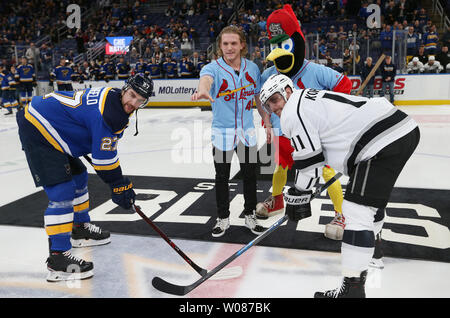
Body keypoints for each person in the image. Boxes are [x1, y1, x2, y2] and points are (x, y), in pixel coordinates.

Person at [260, 74, 420, 298]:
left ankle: (352, 289)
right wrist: (301, 192)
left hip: (381, 140)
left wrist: (299, 194)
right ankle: (374, 249)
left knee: (356, 210)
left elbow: (310, 166)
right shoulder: (305, 100)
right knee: (368, 202)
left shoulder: (292, 111)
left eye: (275, 99)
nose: (274, 107)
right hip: (400, 129)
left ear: (287, 90)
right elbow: (318, 156)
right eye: (268, 104)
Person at [16, 74, 154, 282]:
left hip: (55, 124)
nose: (133, 103)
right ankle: (58, 259)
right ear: (125, 89)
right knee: (61, 191)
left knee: (79, 176)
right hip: (37, 127)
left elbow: (94, 134)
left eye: (140, 100)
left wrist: (117, 182)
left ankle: (79, 229)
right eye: (132, 95)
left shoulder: (112, 96)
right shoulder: (111, 114)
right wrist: (119, 186)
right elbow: (104, 161)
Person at [258, 4, 351, 241]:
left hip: (315, 136)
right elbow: (261, 100)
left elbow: (344, 86)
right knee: (280, 167)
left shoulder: (316, 71)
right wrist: (267, 120)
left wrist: (332, 117)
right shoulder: (269, 74)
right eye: (275, 46)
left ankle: (341, 214)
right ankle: (277, 200)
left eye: (285, 44)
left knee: (327, 171)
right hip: (284, 133)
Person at [191, 25, 271, 237]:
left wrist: (266, 119)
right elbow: (205, 81)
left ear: (242, 45)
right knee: (222, 176)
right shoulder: (212, 68)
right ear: (220, 46)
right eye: (225, 44)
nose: (229, 48)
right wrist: (203, 91)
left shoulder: (252, 68)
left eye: (233, 43)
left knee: (250, 175)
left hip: (246, 131)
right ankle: (223, 217)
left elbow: (257, 97)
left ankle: (250, 214)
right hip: (222, 133)